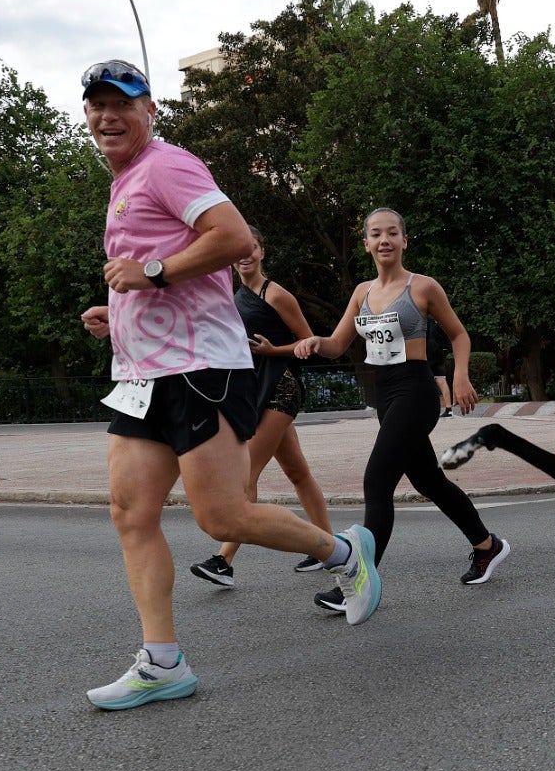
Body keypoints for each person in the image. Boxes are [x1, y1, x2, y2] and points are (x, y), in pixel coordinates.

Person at [77, 59, 379, 711]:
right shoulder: (127, 181)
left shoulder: (166, 163)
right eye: (97, 104)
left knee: (222, 514)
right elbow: (156, 271)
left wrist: (151, 272)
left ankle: (343, 554)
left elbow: (232, 235)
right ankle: (162, 662)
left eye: (122, 103)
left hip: (199, 372)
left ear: (148, 110)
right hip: (141, 375)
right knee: (131, 513)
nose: (108, 115)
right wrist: (117, 312)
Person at [294, 206, 509, 611]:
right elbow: (338, 344)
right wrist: (312, 343)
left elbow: (459, 334)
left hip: (417, 391)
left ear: (404, 240)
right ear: (366, 244)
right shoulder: (362, 292)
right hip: (386, 394)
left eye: (392, 233)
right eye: (376, 234)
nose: (384, 240)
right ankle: (487, 545)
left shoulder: (423, 286)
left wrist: (460, 376)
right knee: (429, 481)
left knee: (377, 482)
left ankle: (358, 582)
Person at [188, 229, 334, 587]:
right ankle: (331, 547)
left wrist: (273, 351)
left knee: (245, 474)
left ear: (262, 251)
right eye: (239, 249)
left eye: (252, 247)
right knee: (298, 473)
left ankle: (224, 560)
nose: (245, 255)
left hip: (281, 389)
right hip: (255, 391)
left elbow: (308, 342)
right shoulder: (235, 296)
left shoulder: (276, 294)